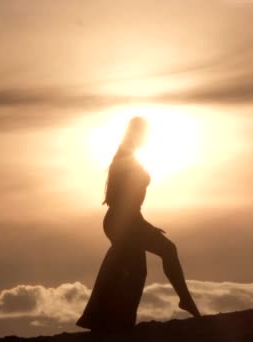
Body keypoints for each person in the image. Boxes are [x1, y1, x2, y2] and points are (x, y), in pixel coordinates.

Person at [77, 116, 200, 331]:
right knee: (166, 251)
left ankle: (111, 320)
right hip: (123, 221)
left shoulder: (127, 157)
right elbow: (124, 201)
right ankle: (184, 300)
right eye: (145, 134)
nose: (147, 139)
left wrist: (145, 225)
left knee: (134, 270)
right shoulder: (124, 159)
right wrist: (144, 225)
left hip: (127, 220)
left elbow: (129, 202)